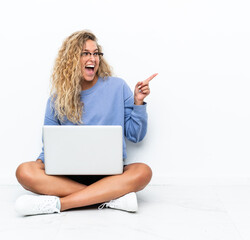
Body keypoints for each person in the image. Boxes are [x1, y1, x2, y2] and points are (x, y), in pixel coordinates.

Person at [15, 30, 157, 216]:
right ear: (72, 59)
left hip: (110, 174)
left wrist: (138, 102)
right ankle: (109, 198)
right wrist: (39, 168)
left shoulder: (118, 87)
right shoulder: (56, 100)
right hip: (68, 175)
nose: (93, 58)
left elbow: (135, 136)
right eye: (86, 53)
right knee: (24, 171)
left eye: (96, 53)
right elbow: (49, 147)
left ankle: (61, 204)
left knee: (143, 171)